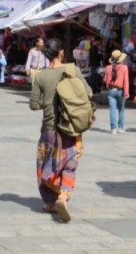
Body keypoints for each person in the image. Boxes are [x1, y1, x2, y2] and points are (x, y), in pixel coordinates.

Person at [29, 37, 92, 222]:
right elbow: (88, 92)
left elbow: (33, 105)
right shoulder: (72, 70)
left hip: (49, 129)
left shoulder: (39, 76)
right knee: (69, 162)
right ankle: (64, 195)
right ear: (61, 52)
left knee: (45, 162)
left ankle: (49, 202)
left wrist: (48, 102)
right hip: (71, 126)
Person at [103, 50, 130, 134]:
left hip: (111, 90)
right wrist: (126, 92)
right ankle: (121, 127)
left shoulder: (108, 68)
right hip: (120, 91)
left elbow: (105, 80)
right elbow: (126, 81)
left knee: (112, 110)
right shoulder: (124, 67)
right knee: (121, 109)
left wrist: (108, 84)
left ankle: (113, 128)